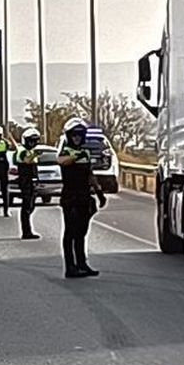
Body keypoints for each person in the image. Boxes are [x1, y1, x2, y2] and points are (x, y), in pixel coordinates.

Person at [57, 116, 107, 277]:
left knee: (81, 232)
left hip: (84, 196)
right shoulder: (66, 151)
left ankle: (82, 263)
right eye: (74, 135)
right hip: (70, 196)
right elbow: (61, 161)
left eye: (80, 135)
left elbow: (90, 174)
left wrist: (99, 192)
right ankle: (70, 267)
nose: (77, 138)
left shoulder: (85, 152)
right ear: (69, 136)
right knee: (70, 232)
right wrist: (76, 156)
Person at [15, 125, 42, 241]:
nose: (32, 143)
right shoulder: (22, 151)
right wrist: (35, 155)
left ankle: (28, 229)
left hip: (32, 181)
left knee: (31, 205)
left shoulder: (30, 151)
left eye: (34, 141)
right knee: (26, 206)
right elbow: (25, 160)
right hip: (25, 181)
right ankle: (26, 231)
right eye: (30, 141)